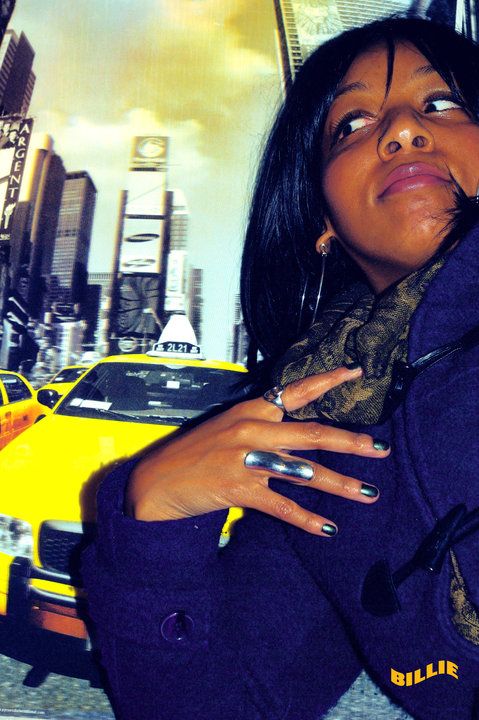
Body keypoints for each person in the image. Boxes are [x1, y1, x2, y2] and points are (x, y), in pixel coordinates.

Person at [82, 16, 479, 720]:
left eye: (441, 102)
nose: (402, 130)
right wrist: (153, 520)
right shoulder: (312, 451)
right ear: (322, 221)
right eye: (352, 124)